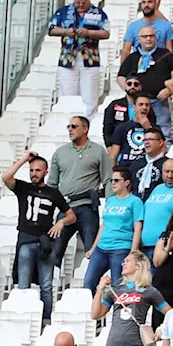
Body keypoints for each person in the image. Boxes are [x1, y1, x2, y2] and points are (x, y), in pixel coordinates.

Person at [89, 251, 171, 346]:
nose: (123, 263)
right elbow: (95, 314)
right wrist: (100, 290)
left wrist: (162, 328)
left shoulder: (149, 291)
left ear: (138, 265)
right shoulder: (115, 289)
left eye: (127, 261)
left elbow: (170, 313)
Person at [3, 152, 76, 320]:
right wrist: (24, 159)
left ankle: (46, 320)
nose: (34, 173)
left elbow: (71, 215)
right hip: (26, 241)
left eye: (38, 170)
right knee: (23, 285)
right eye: (31, 170)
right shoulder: (23, 188)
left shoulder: (53, 193)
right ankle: (21, 317)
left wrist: (61, 222)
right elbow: (6, 177)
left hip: (45, 243)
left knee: (46, 286)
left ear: (46, 171)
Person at [49, 116, 111, 273]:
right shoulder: (60, 153)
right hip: (65, 209)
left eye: (74, 126)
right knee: (54, 251)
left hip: (87, 206)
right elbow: (51, 184)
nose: (70, 129)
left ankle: (92, 288)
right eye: (68, 126)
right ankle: (48, 288)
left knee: (92, 251)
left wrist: (110, 206)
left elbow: (107, 180)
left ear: (85, 129)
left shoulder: (98, 151)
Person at [47, 0, 111, 117]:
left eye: (83, 2)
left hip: (90, 58)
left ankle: (88, 124)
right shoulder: (63, 12)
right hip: (68, 58)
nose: (80, 5)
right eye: (78, 2)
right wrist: (65, 32)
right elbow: (51, 29)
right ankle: (66, 122)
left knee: (90, 97)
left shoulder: (98, 13)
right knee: (66, 95)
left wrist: (89, 33)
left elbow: (106, 33)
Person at [85, 167, 144, 293]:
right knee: (88, 284)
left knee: (118, 286)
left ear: (127, 182)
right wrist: (93, 247)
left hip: (121, 247)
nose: (113, 183)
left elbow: (138, 227)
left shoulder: (135, 201)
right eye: (112, 180)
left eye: (117, 180)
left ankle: (118, 312)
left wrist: (133, 252)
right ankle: (93, 311)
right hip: (101, 247)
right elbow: (104, 225)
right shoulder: (110, 200)